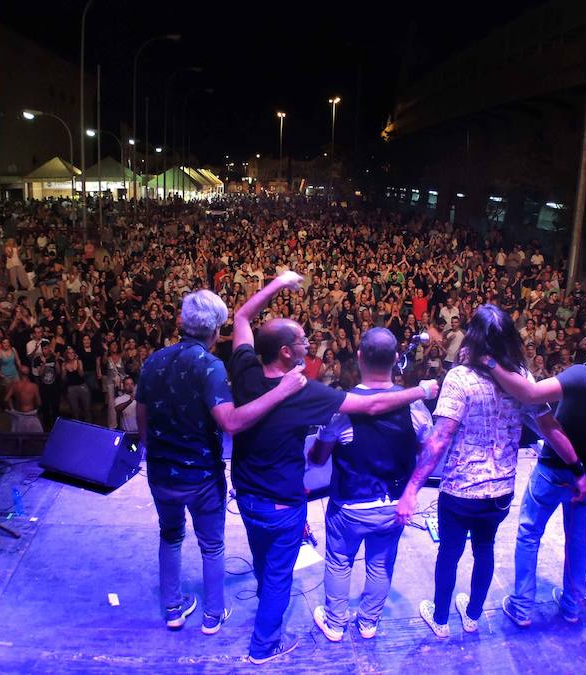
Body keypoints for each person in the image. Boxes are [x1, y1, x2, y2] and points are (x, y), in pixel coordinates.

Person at [229, 271, 439, 665]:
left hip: (255, 497)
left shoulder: (244, 371)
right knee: (369, 564)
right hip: (323, 503)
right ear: (287, 353)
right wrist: (422, 391)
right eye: (303, 342)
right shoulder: (305, 391)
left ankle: (335, 621)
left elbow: (241, 318)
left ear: (359, 357)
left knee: (303, 563)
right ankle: (344, 628)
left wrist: (276, 283)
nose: (310, 345)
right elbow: (384, 413)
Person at [395, 304, 578, 639]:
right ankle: (473, 615)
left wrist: (411, 490)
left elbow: (439, 440)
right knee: (485, 548)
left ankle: (440, 619)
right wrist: (577, 467)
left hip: (460, 491)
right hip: (500, 492)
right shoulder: (522, 378)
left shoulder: (459, 378)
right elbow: (549, 427)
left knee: (449, 552)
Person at [135, 289, 307, 634]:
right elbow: (230, 422)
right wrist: (282, 391)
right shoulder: (210, 366)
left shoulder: (153, 360)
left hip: (160, 473)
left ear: (181, 322)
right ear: (215, 331)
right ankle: (213, 615)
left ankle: (173, 608)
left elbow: (141, 416)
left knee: (169, 536)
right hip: (200, 476)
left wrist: (154, 448)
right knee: (211, 545)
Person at [482, 317, 586, 624]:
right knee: (578, 540)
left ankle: (523, 608)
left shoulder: (582, 375)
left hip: (554, 468)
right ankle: (571, 606)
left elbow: (530, 394)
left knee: (530, 534)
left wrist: (490, 362)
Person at [308, 328, 434, 642]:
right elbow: (427, 453)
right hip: (393, 507)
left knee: (339, 562)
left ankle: (335, 624)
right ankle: (368, 623)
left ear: (360, 357)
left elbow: (319, 459)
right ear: (395, 359)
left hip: (349, 507)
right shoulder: (415, 407)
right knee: (381, 563)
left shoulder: (342, 408)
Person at [5, 365, 43, 432]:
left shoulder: (15, 385)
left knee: (18, 436)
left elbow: (6, 399)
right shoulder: (34, 386)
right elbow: (39, 403)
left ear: (19, 373)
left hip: (18, 414)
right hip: (30, 413)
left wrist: (12, 409)